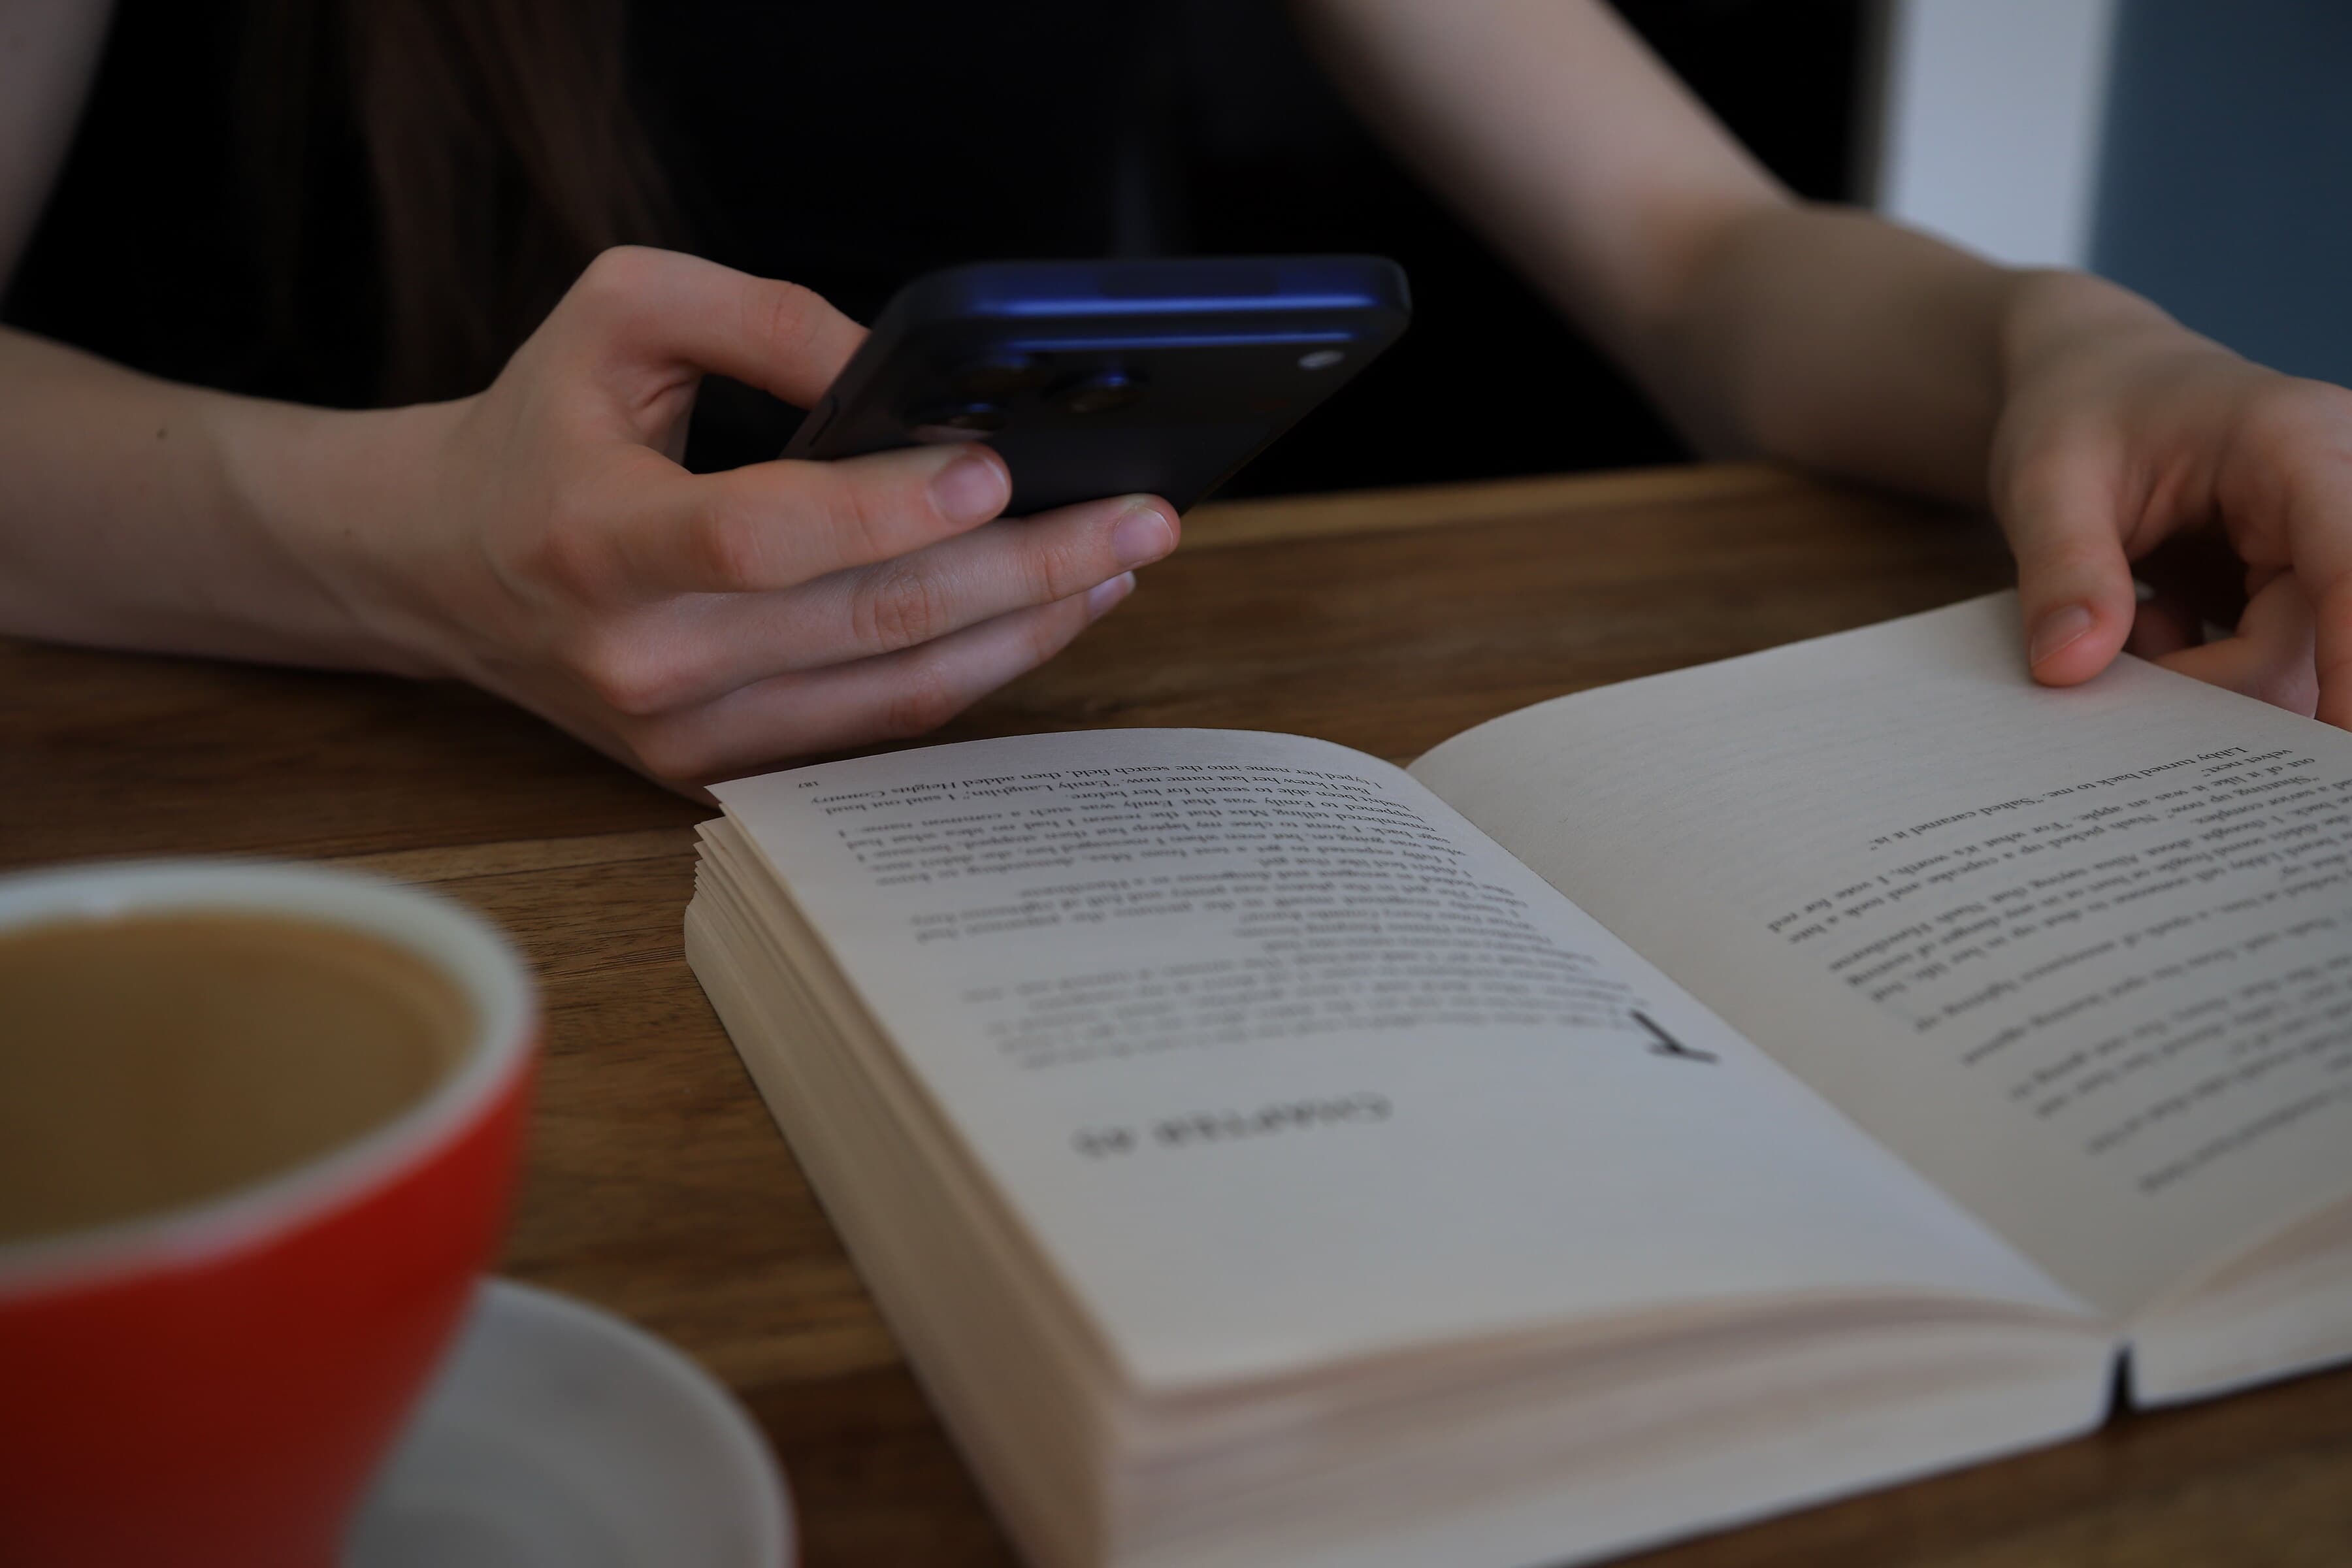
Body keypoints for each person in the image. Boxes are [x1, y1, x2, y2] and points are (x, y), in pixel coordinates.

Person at [3, 0, 2347, 794]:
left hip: (979, 802)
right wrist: (401, 547)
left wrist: (2080, 341)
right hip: (273, 801)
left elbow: (1701, 256)